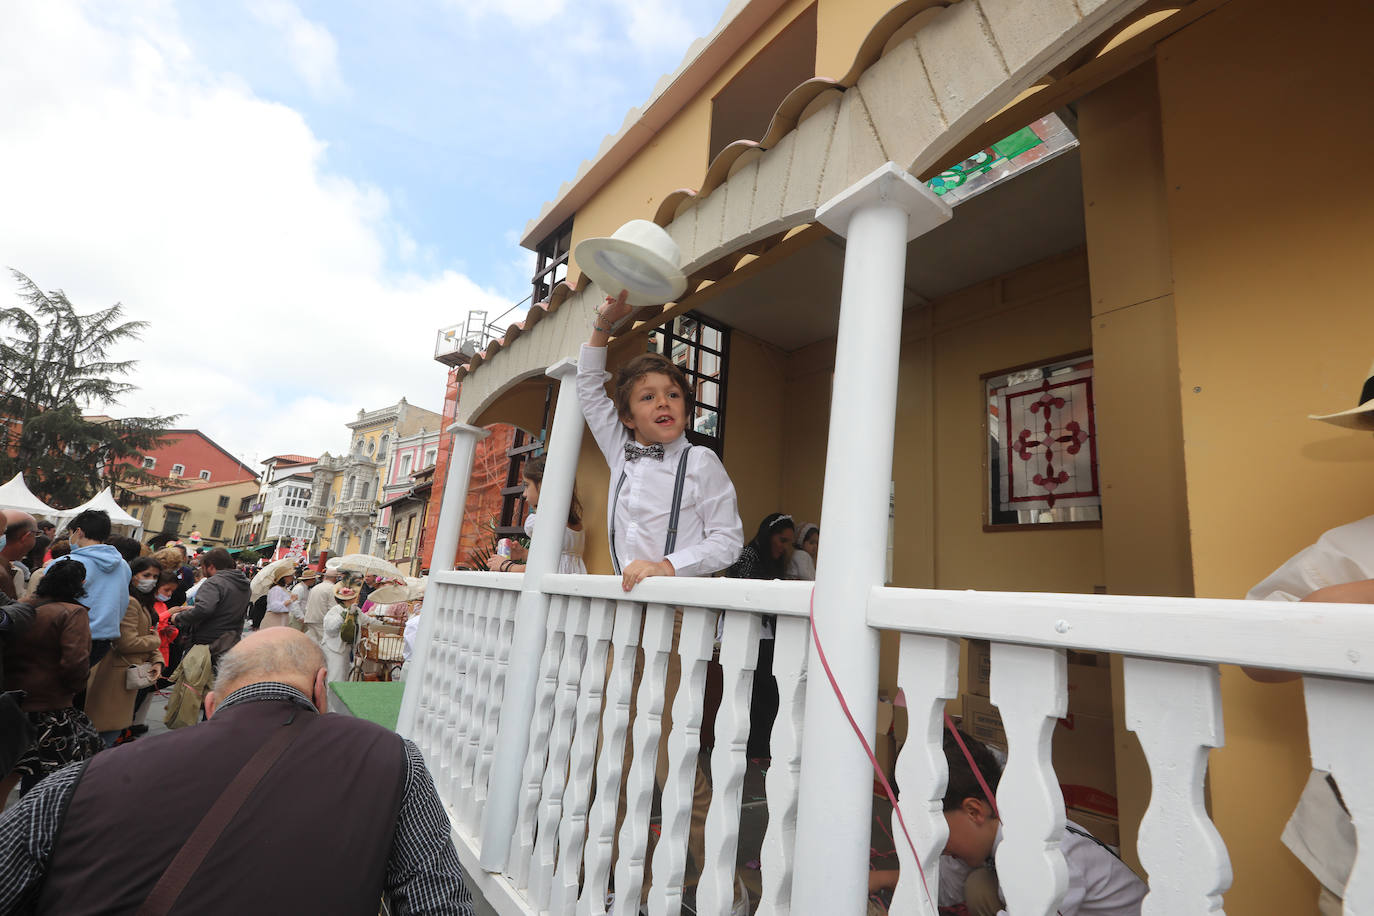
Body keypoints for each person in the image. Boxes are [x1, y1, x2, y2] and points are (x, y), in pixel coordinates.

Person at [0, 627, 474, 914]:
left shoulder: (82, 778)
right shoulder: (392, 758)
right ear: (321, 689)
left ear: (210, 704)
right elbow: (437, 901)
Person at [582, 291, 745, 904]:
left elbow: (729, 540)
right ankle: (629, 874)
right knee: (612, 749)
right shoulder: (619, 449)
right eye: (648, 397)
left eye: (672, 394)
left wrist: (668, 567)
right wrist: (603, 324)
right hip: (625, 624)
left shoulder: (702, 462)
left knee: (673, 755)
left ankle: (705, 878)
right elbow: (587, 388)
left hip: (677, 622)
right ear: (628, 415)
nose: (663, 403)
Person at [869, 729, 1146, 915]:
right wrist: (884, 878)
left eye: (934, 830)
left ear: (974, 811)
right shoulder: (996, 827)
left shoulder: (1037, 853)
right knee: (977, 884)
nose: (934, 844)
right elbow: (948, 885)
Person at [0, 558, 100, 800]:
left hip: (11, 702)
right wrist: (74, 687)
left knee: (6, 777)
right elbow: (75, 663)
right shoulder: (73, 613)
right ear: (82, 584)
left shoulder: (21, 608)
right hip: (49, 710)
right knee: (47, 783)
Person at [725, 512, 795, 759]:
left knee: (768, 694)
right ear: (769, 536)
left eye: (789, 542)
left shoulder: (772, 561)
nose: (784, 547)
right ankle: (751, 748)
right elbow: (741, 593)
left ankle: (761, 749)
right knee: (752, 695)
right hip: (746, 634)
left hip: (766, 636)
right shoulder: (747, 556)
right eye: (782, 540)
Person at [86, 557, 163, 747]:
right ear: (132, 575)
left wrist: (157, 659)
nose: (151, 580)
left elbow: (142, 635)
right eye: (146, 575)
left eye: (155, 576)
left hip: (123, 676)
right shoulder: (130, 602)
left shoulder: (140, 601)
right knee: (104, 735)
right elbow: (127, 642)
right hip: (114, 677)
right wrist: (156, 640)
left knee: (107, 734)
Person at [45, 509, 130, 672]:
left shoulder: (67, 562)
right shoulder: (123, 565)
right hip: (104, 639)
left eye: (70, 533)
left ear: (78, 532)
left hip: (70, 636)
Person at [486, 454, 587, 574]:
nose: (524, 494)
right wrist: (524, 554)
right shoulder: (575, 525)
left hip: (552, 589)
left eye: (527, 485)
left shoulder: (539, 522)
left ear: (543, 485)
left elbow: (539, 570)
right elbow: (560, 561)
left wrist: (505, 565)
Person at [170, 547, 250, 670]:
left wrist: (178, 618)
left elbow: (204, 609)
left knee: (193, 683)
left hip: (207, 642)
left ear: (211, 567)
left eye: (203, 567)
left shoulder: (214, 582)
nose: (202, 571)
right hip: (230, 640)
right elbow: (226, 608)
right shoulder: (242, 583)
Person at [322, 580, 362, 683]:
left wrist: (387, 623)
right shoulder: (335, 610)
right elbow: (330, 629)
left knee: (344, 678)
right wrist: (345, 614)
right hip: (334, 649)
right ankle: (331, 699)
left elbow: (368, 620)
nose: (358, 598)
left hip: (346, 650)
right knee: (335, 679)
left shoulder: (356, 611)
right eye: (354, 597)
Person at [0, 511, 37, 599]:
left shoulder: (8, 567)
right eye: (36, 534)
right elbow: (9, 609)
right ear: (26, 537)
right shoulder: (3, 573)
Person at [304, 567, 341, 646]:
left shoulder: (315, 587)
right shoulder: (332, 588)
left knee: (313, 644)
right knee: (325, 645)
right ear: (335, 578)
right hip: (321, 620)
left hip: (310, 618)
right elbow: (333, 608)